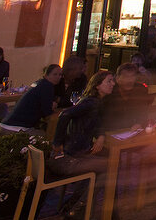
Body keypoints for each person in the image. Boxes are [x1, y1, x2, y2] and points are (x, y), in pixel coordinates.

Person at [51, 70, 115, 216]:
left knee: (102, 167)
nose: (113, 84)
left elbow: (97, 123)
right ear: (97, 85)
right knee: (109, 167)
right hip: (69, 157)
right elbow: (64, 114)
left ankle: (75, 206)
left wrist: (100, 136)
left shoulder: (94, 102)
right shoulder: (91, 103)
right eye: (109, 81)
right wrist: (57, 142)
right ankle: (76, 208)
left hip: (77, 152)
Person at [2, 63, 62, 131]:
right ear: (46, 75)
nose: (58, 77)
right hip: (16, 128)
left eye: (60, 75)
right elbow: (47, 112)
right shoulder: (47, 86)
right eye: (55, 74)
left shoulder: (38, 83)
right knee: (49, 136)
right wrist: (52, 106)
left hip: (6, 123)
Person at [103, 62, 152, 131]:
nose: (130, 80)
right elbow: (103, 118)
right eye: (126, 77)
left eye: (132, 76)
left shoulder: (140, 90)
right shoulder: (110, 91)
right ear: (117, 78)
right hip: (112, 131)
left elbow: (143, 112)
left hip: (133, 131)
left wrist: (139, 123)